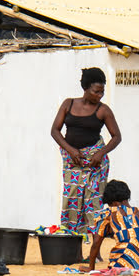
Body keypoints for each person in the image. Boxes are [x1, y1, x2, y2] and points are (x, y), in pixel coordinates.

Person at [51, 67, 121, 235]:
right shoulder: (68, 104)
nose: (100, 95)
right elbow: (55, 130)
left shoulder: (103, 110)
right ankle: (71, 244)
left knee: (93, 205)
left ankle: (94, 249)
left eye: (102, 92)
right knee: (71, 202)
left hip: (95, 164)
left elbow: (116, 137)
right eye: (96, 91)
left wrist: (100, 153)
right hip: (72, 163)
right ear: (86, 88)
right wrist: (71, 151)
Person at [80, 180, 139, 272]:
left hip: (128, 260)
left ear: (113, 203)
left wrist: (91, 268)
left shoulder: (108, 214)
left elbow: (96, 242)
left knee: (124, 251)